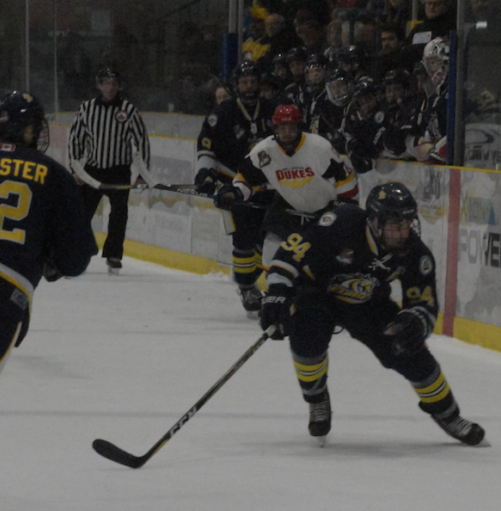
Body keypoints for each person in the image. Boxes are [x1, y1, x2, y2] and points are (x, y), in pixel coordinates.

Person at [258, 182, 485, 446]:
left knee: (412, 354)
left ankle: (449, 415)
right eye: (394, 225)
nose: (402, 232)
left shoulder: (416, 253)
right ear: (375, 221)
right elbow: (290, 251)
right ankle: (317, 398)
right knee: (307, 339)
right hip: (317, 292)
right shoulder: (340, 222)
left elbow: (424, 304)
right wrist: (277, 292)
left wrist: (415, 323)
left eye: (406, 224)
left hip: (367, 304)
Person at [0, 90, 97, 412]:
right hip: (0, 297)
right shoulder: (52, 173)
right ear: (23, 127)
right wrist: (52, 263)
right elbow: (76, 260)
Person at [214, 103, 358, 274]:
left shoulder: (319, 148)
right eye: (282, 129)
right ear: (275, 128)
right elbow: (246, 179)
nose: (287, 134)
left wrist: (344, 211)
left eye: (291, 128)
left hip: (324, 214)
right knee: (270, 253)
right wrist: (234, 192)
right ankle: (276, 294)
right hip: (287, 210)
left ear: (299, 127)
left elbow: (346, 179)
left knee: (321, 265)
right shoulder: (264, 152)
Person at [195, 61, 279, 316]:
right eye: (244, 83)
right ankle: (246, 287)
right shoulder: (223, 113)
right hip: (235, 185)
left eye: (253, 82)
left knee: (269, 238)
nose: (249, 87)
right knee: (243, 238)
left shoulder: (273, 109)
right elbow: (207, 147)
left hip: (270, 187)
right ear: (236, 85)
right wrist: (205, 173)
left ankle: (259, 279)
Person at [68, 68, 151, 275]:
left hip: (119, 170)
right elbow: (76, 138)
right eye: (106, 83)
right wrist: (75, 168)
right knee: (81, 214)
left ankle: (113, 254)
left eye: (114, 83)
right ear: (99, 85)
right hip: (92, 171)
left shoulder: (128, 109)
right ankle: (76, 251)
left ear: (119, 86)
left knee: (119, 214)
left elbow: (142, 142)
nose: (110, 87)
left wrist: (142, 174)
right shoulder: (87, 108)